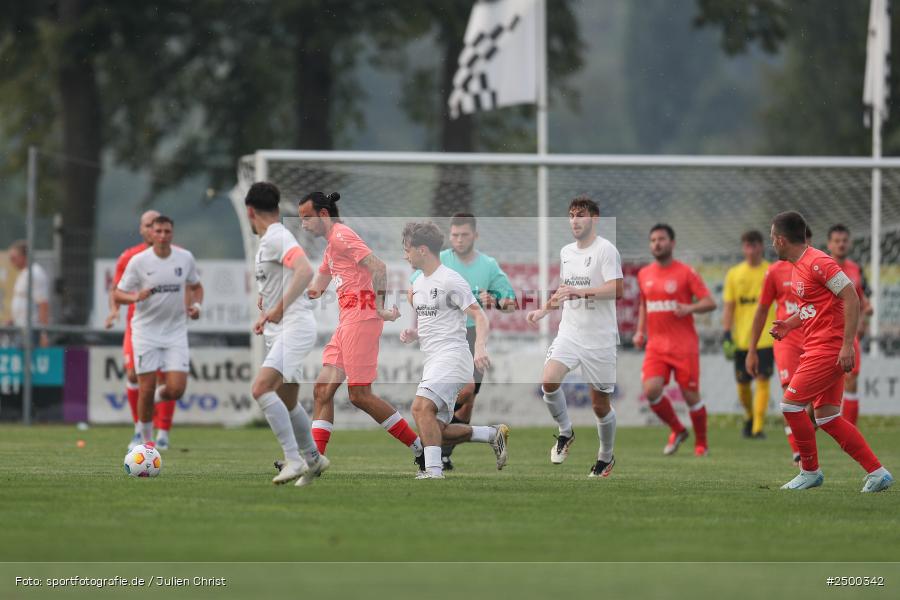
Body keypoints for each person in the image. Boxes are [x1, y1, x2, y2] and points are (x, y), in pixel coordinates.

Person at [299, 192, 424, 473]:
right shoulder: (331, 247)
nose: (303, 224)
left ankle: (421, 450)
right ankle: (314, 461)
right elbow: (316, 289)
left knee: (359, 395)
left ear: (323, 215)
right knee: (322, 390)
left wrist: (379, 307)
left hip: (361, 319)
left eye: (306, 217)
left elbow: (378, 266)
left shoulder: (341, 235)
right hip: (348, 321)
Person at [768, 211, 891, 492]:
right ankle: (877, 473)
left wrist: (847, 345)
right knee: (827, 417)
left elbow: (852, 297)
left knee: (790, 405)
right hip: (819, 345)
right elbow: (814, 308)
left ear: (781, 240)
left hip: (829, 348)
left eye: (773, 238)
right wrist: (789, 324)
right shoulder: (799, 266)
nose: (772, 243)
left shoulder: (818, 262)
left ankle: (809, 471)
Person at [399, 221, 509, 479]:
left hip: (453, 357)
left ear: (422, 250)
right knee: (436, 428)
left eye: (407, 249)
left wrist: (479, 348)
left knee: (420, 408)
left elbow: (479, 316)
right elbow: (435, 322)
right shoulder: (419, 284)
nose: (405, 255)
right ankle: (492, 434)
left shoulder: (450, 279)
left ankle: (433, 471)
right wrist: (415, 333)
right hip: (434, 359)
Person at [526, 196, 623, 478]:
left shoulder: (606, 250)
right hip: (570, 333)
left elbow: (617, 289)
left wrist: (582, 293)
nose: (574, 220)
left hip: (600, 339)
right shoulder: (566, 252)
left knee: (600, 405)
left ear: (594, 218)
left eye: (580, 214)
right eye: (571, 215)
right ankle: (565, 432)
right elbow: (564, 290)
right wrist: (543, 310)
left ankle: (605, 458)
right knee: (549, 380)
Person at [246, 182, 328, 486]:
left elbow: (305, 270)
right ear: (277, 208)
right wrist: (267, 310)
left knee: (260, 389)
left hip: (294, 327)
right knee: (288, 401)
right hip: (281, 329)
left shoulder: (276, 237)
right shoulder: (270, 239)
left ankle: (293, 459)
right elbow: (284, 279)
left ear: (250, 211)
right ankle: (314, 459)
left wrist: (279, 308)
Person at [114, 216, 204, 448]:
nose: (163, 235)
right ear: (151, 234)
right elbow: (118, 294)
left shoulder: (185, 258)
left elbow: (196, 287)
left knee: (176, 389)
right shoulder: (138, 261)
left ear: (172, 233)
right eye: (158, 231)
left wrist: (196, 306)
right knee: (145, 386)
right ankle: (146, 442)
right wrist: (136, 296)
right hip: (146, 332)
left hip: (175, 331)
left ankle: (149, 403)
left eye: (167, 231)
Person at [633, 224, 716, 457]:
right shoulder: (644, 274)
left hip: (684, 345)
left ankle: (701, 444)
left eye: (661, 239)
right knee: (651, 390)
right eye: (653, 240)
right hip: (656, 346)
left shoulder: (686, 272)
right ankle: (678, 429)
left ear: (672, 243)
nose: (656, 244)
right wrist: (640, 331)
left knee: (691, 397)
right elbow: (644, 304)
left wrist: (689, 308)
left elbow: (710, 302)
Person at [104, 210, 177, 450]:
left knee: (165, 379)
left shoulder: (176, 255)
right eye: (147, 225)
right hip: (137, 327)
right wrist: (114, 311)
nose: (152, 230)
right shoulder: (129, 257)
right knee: (134, 375)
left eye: (157, 226)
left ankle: (163, 432)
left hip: (166, 327)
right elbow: (116, 290)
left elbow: (189, 285)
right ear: (142, 229)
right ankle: (139, 429)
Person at [747, 227, 814, 464]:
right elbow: (762, 310)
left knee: (817, 408)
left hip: (816, 340)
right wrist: (752, 349)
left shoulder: (818, 267)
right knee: (790, 397)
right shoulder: (774, 271)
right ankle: (798, 452)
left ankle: (806, 438)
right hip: (787, 342)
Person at [722, 230, 776, 439]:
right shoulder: (734, 274)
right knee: (743, 384)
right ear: (743, 248)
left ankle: (757, 427)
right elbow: (729, 307)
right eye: (747, 245)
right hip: (742, 339)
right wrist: (727, 333)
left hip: (766, 337)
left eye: (755, 245)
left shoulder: (771, 271)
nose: (751, 250)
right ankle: (749, 416)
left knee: (762, 378)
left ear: (761, 246)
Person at [826, 224, 872, 426]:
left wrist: (864, 320)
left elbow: (863, 302)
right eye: (837, 241)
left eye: (844, 240)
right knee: (819, 386)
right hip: (824, 334)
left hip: (849, 335)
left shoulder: (856, 269)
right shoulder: (822, 267)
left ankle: (850, 433)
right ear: (829, 244)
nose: (841, 245)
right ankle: (807, 431)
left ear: (850, 243)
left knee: (851, 379)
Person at [7, 240, 50, 348]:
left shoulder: (35, 273)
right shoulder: (23, 273)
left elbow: (43, 304)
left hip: (31, 330)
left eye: (14, 258)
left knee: (28, 357)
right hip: (20, 328)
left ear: (24, 256)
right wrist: (12, 320)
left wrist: (44, 334)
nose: (11, 261)